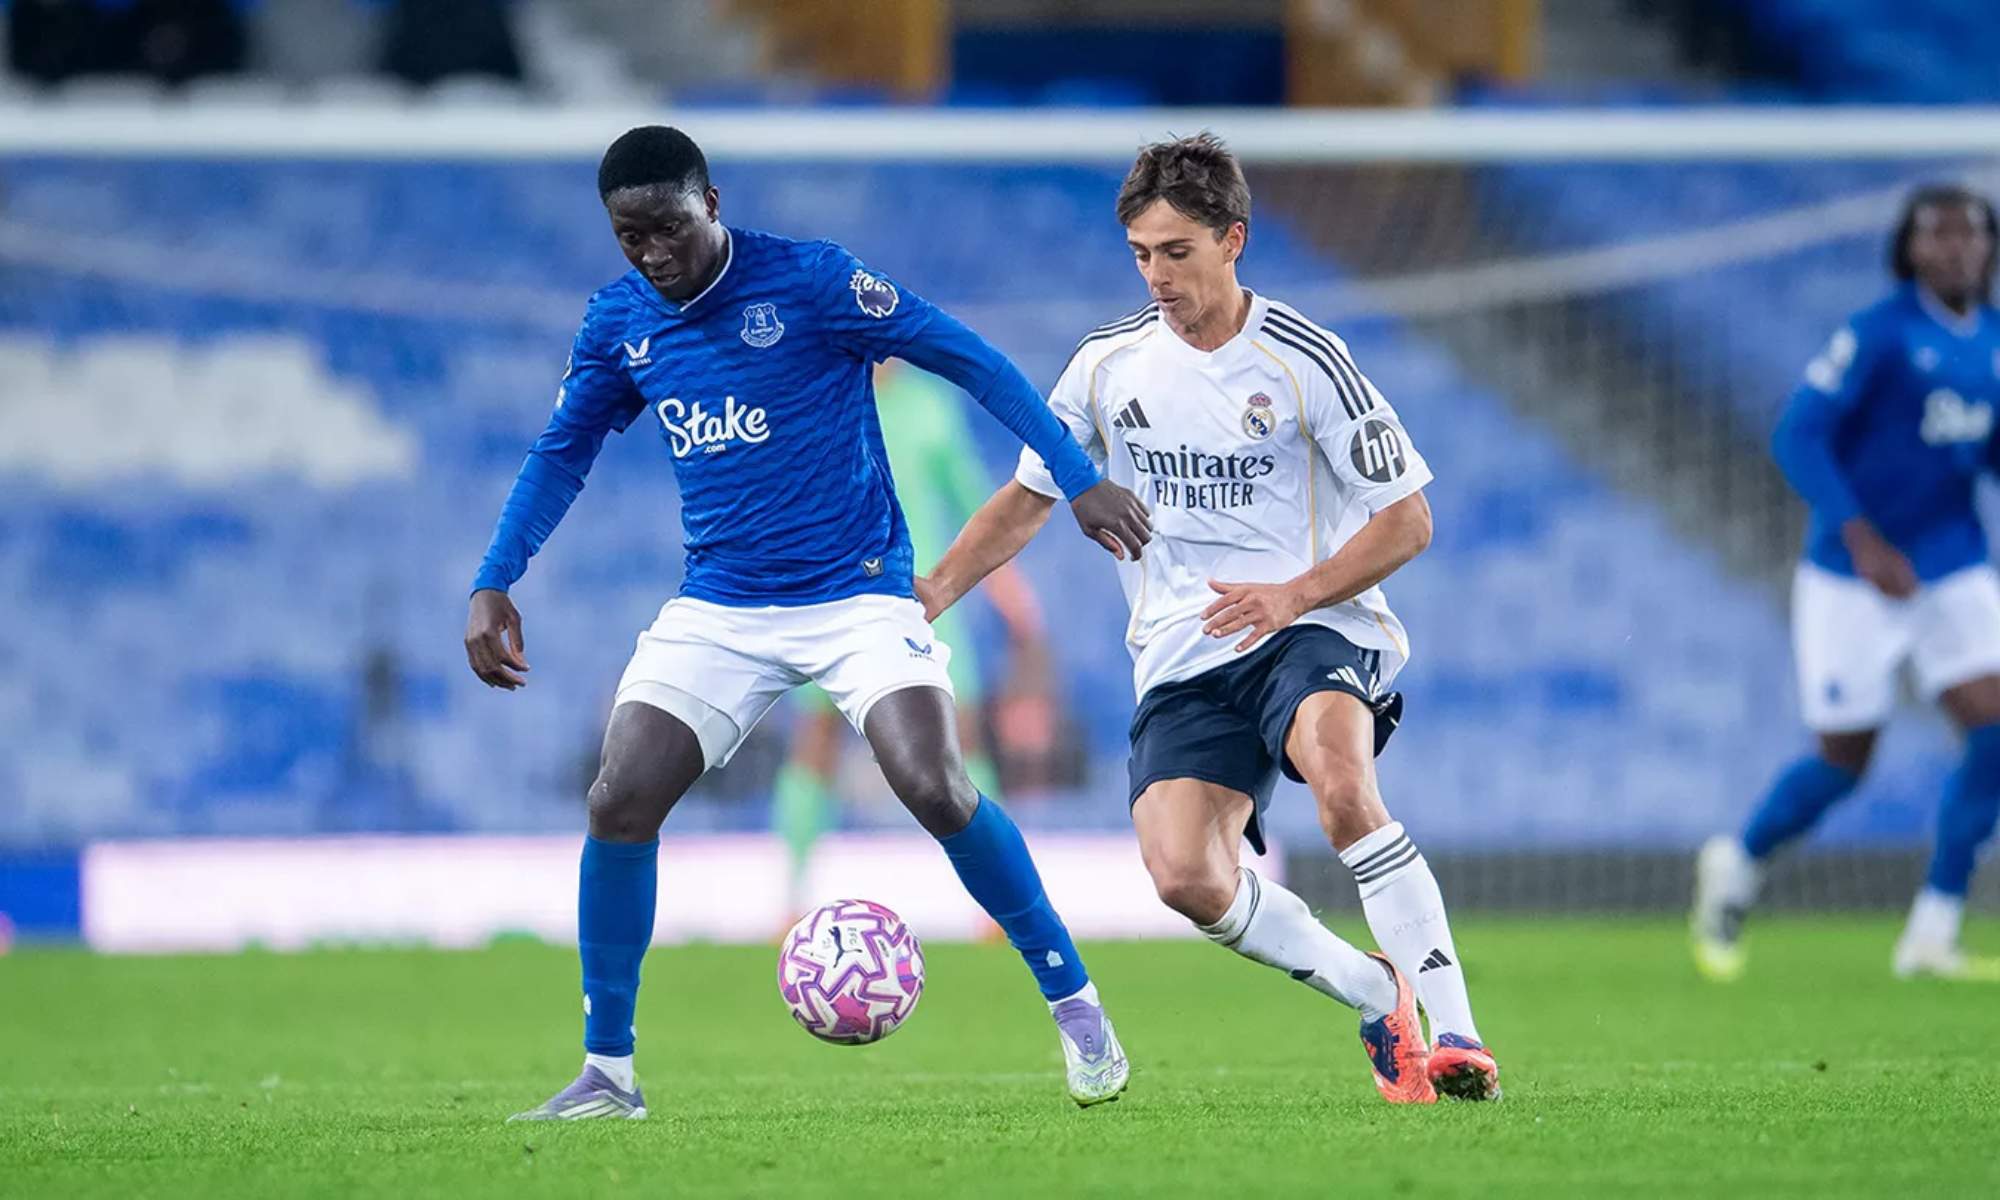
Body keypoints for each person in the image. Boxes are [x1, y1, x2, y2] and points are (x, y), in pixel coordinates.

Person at [464, 126, 1153, 1119]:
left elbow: (973, 361)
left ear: (710, 202)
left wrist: (1081, 481)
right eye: (628, 237)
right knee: (618, 798)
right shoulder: (619, 322)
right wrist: (496, 578)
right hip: (721, 605)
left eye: (665, 229)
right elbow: (561, 450)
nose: (650, 254)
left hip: (858, 594)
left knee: (933, 783)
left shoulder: (813, 283)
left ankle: (1078, 1010)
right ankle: (607, 1074)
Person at [919, 134, 1498, 1104]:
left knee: (1340, 778)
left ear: (1233, 241)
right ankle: (1371, 992)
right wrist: (931, 594)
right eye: (1140, 253)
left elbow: (1408, 519)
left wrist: (1292, 595)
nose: (1155, 275)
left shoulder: (1305, 357)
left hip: (1310, 628)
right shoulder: (1105, 368)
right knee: (1184, 875)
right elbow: (1024, 499)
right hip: (1182, 655)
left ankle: (1457, 1034)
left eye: (1176, 252)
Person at [1693, 184, 2000, 983]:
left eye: (1971, 234)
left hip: (1952, 563)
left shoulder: (1992, 342)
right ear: (1911, 249)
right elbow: (1798, 432)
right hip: (1852, 575)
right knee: (1844, 759)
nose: (1958, 248)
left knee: (1996, 733)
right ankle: (1742, 861)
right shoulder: (1878, 335)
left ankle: (1932, 930)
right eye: (1939, 235)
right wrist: (1861, 538)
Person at [772, 360, 1049, 915]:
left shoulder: (930, 406)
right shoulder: (811, 392)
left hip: (922, 594)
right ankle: (790, 895)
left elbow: (973, 502)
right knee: (819, 739)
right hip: (831, 593)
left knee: (961, 741)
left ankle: (995, 904)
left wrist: (1013, 598)